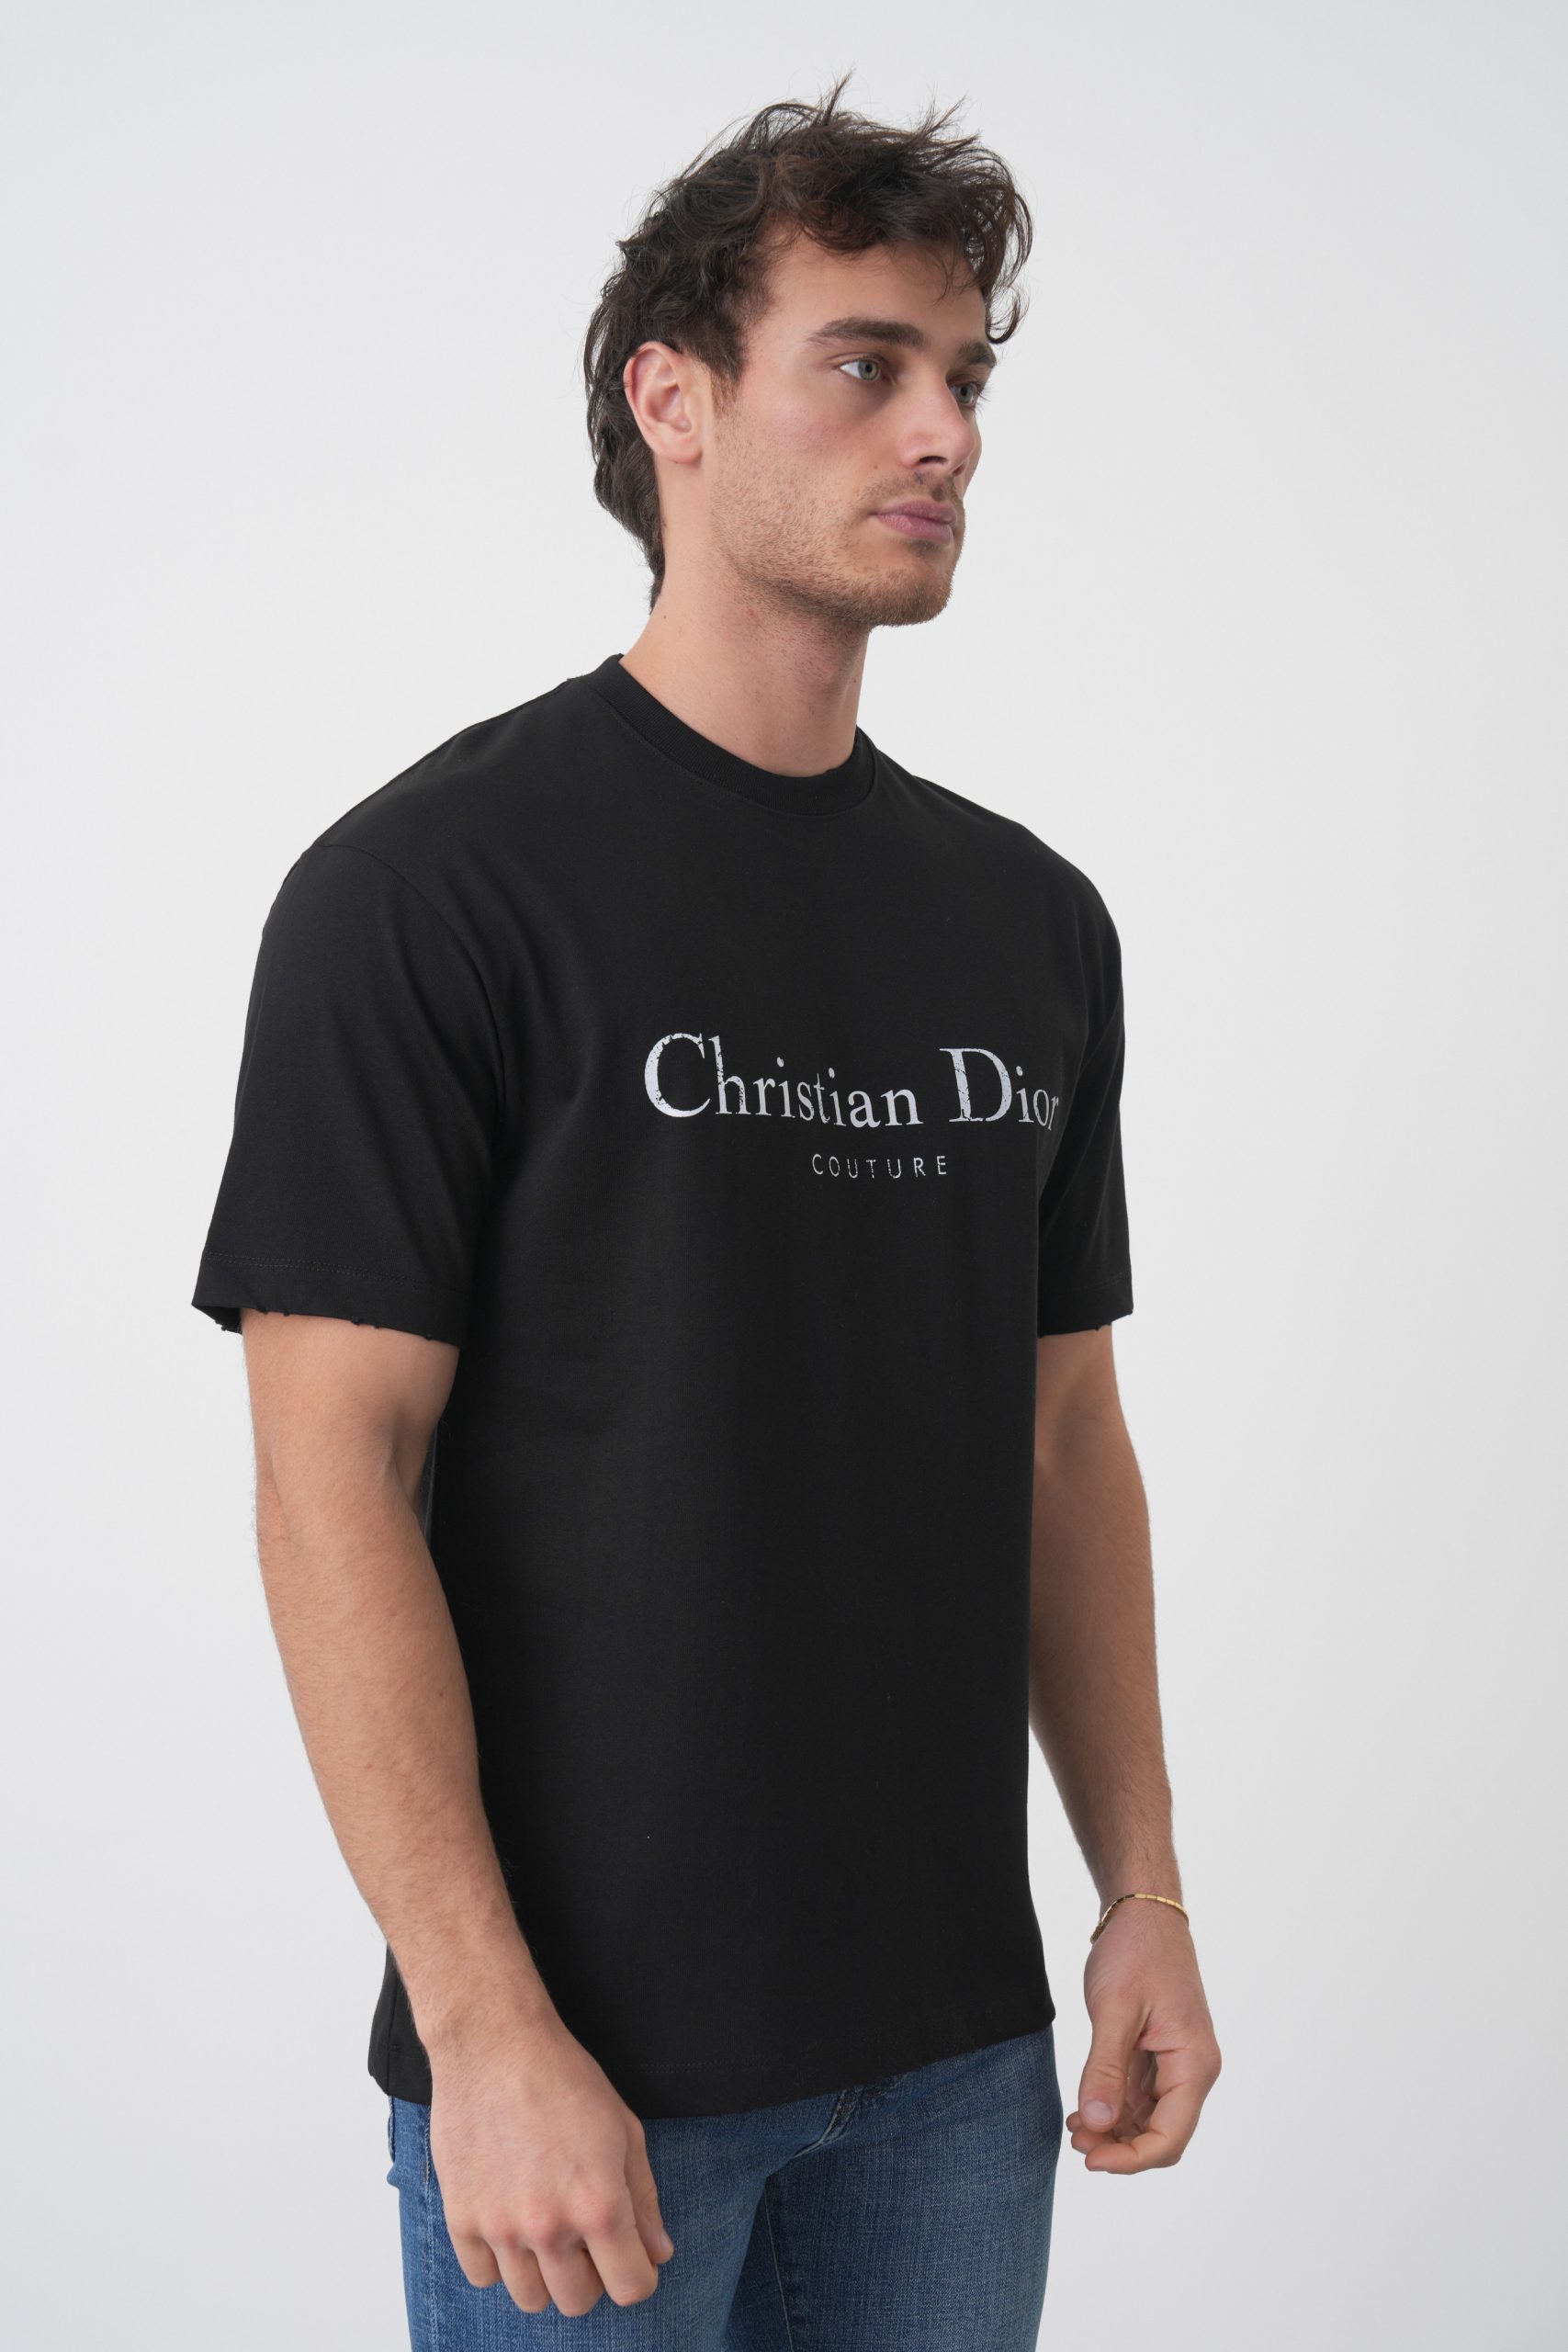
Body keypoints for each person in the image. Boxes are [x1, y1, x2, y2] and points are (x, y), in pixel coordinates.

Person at [191, 73, 1221, 2348]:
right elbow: (326, 1472)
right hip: (589, 2073)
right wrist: (483, 2026)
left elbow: (1063, 1437)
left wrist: (1136, 1887)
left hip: (957, 2061)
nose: (940, 431)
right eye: (864, 363)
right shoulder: (429, 890)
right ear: (673, 400)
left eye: (963, 376)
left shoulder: (1027, 923)